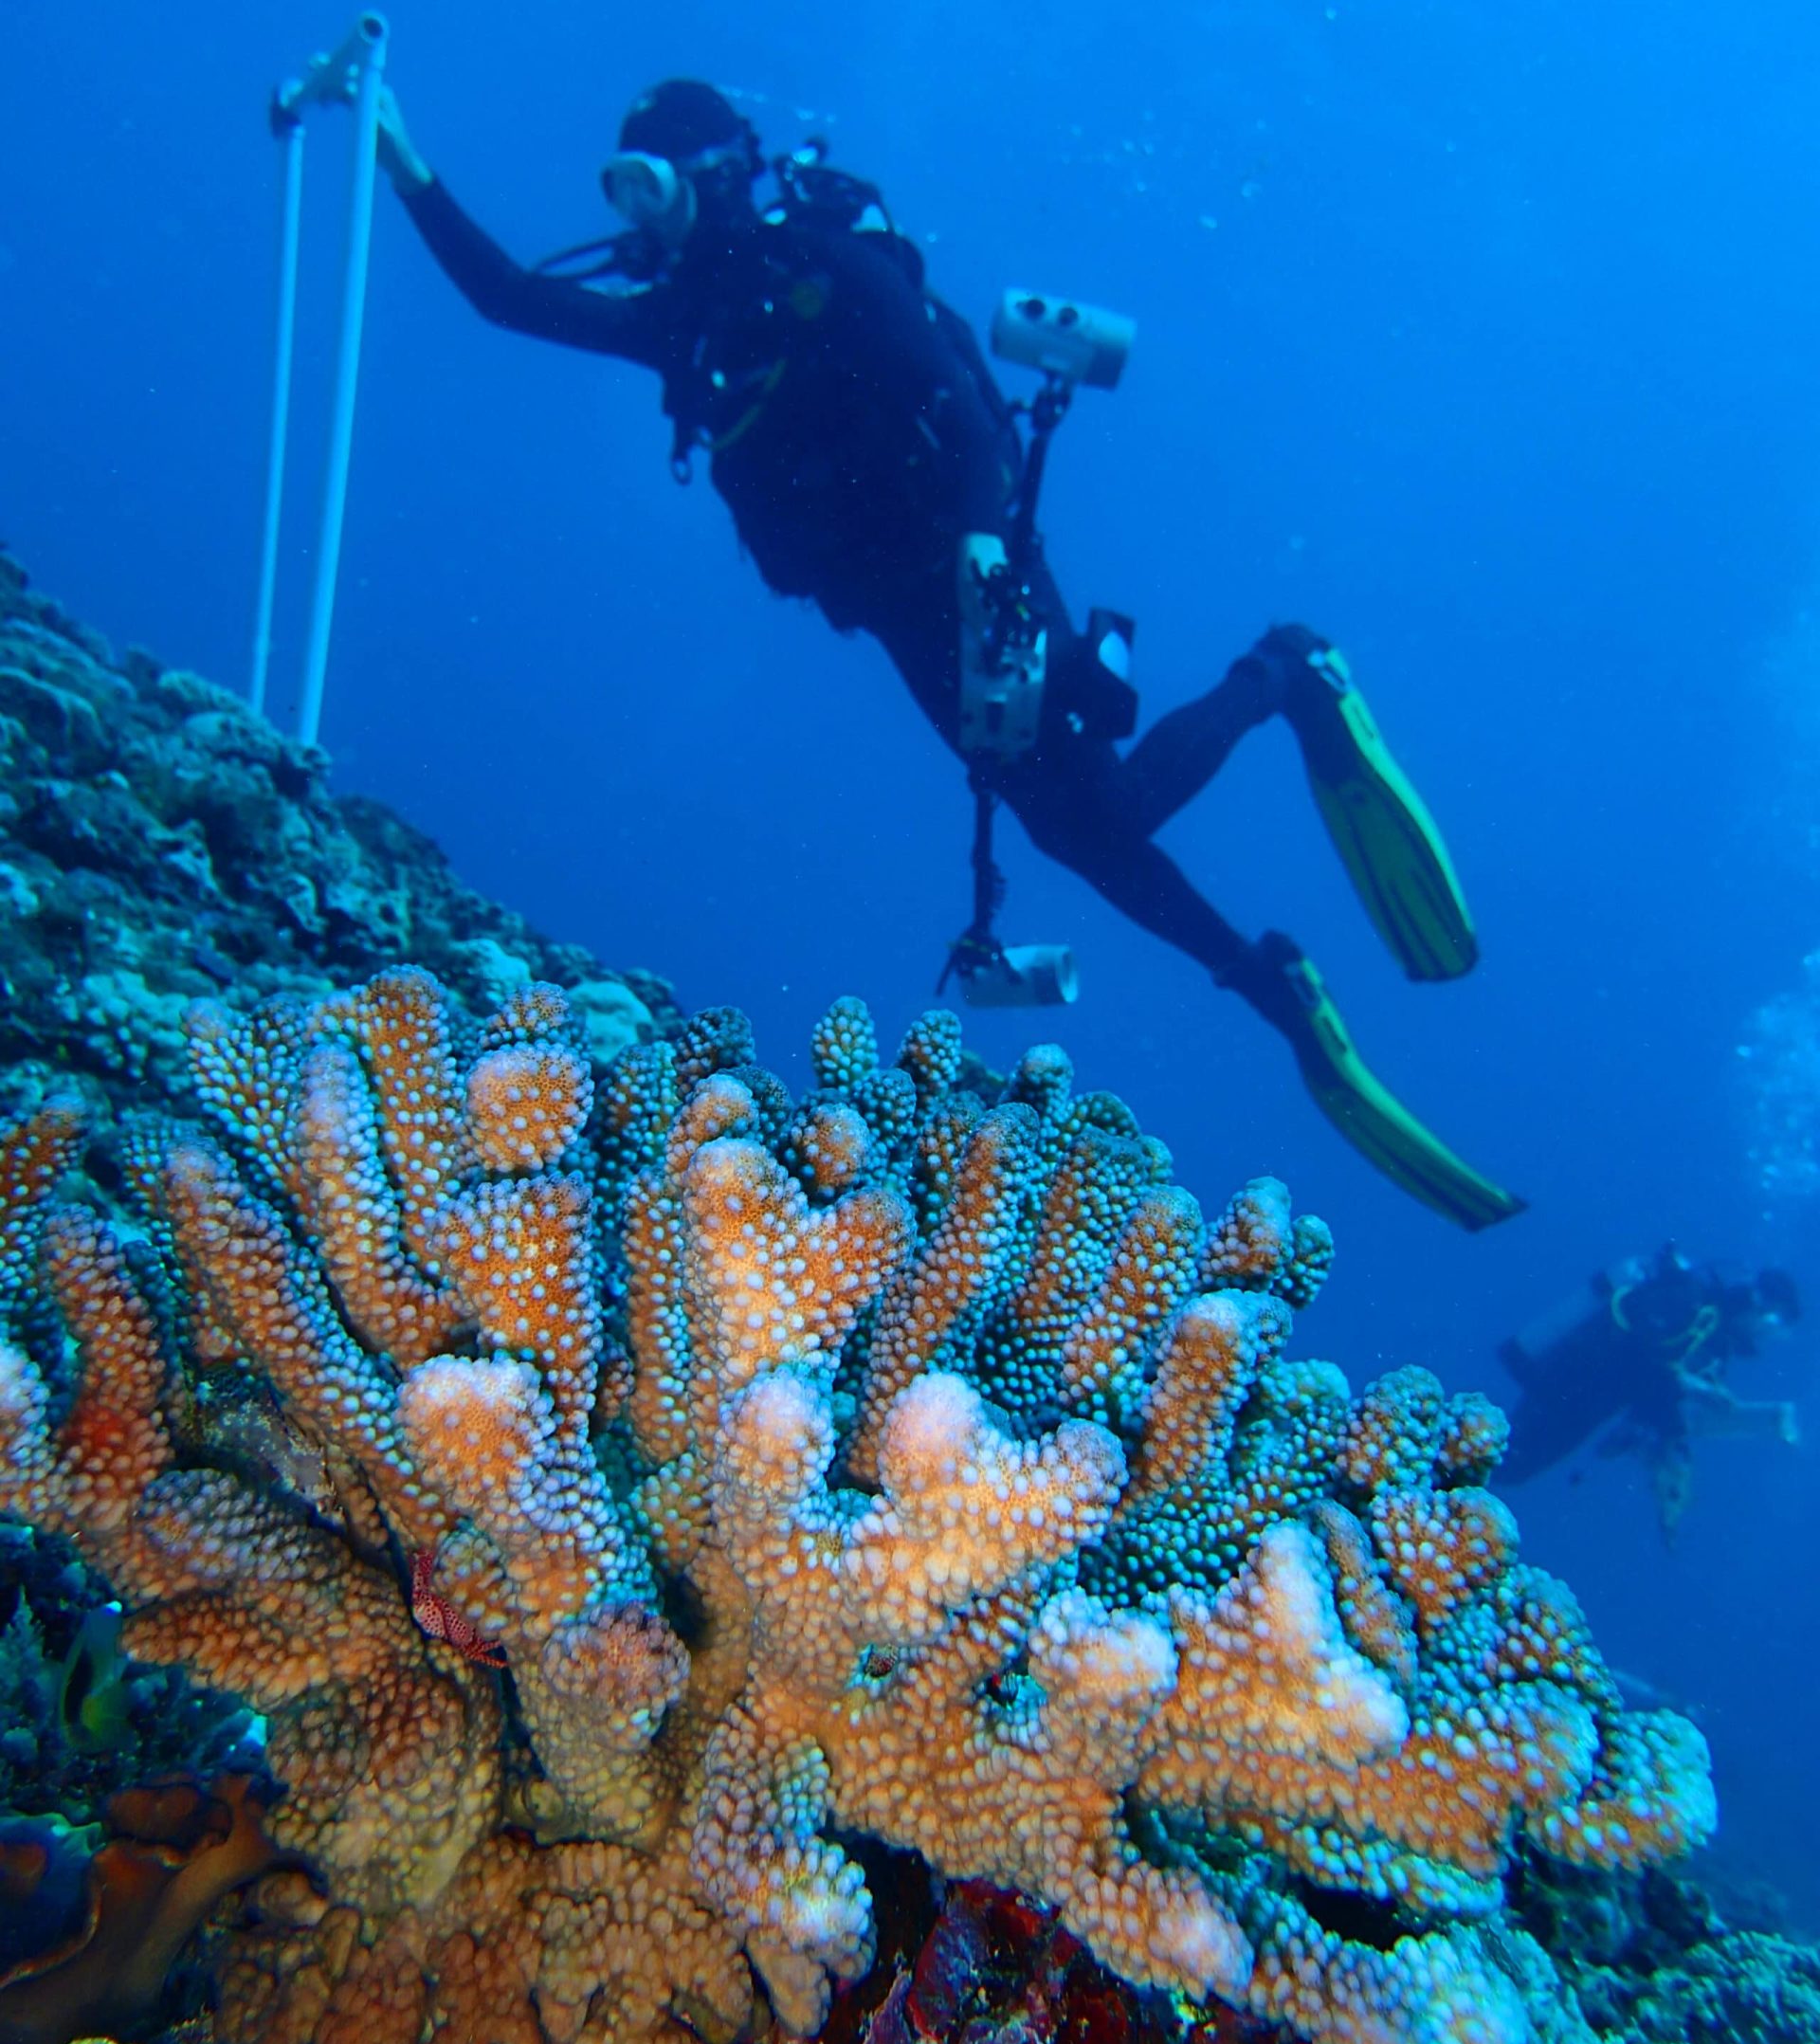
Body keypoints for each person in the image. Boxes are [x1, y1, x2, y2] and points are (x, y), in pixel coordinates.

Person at [372, 75, 1521, 1227]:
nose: (641, 216)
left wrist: (982, 554)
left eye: (656, 184)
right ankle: (1262, 975)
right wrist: (400, 148)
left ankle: (1285, 672)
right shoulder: (690, 321)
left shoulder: (827, 273)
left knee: (1098, 814)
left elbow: (964, 419)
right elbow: (506, 297)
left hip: (973, 575)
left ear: (719, 172)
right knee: (1073, 828)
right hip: (900, 615)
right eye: (623, 189)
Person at [1497, 1248, 1802, 1537]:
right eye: (1773, 1320)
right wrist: (1685, 1389)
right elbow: (1638, 1355)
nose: (1769, 1333)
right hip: (1572, 1385)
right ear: (1759, 1303)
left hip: (1586, 1398)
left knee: (1511, 1465)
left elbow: (1659, 1391)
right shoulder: (1689, 1300)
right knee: (1508, 1460)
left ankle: (1455, 1474)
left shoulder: (1710, 1334)